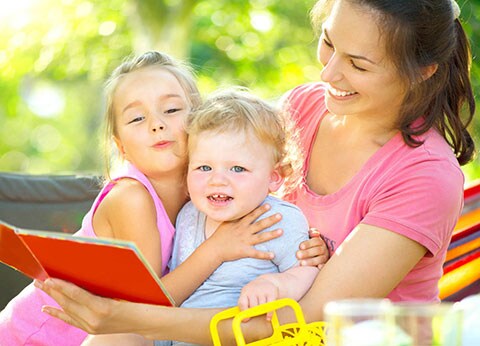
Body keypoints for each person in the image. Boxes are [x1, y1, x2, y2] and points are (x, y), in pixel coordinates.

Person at [37, 0, 476, 344]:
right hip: (230, 320)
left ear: (423, 71)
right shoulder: (303, 108)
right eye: (328, 42)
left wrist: (138, 317)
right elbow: (212, 172)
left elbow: (301, 320)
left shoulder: (424, 177)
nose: (328, 72)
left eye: (358, 64)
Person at [0, 51, 294, 345]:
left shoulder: (207, 193)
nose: (156, 124)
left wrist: (307, 246)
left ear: (200, 121)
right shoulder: (131, 198)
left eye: (171, 110)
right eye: (137, 118)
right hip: (40, 334)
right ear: (121, 146)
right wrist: (216, 249)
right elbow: (146, 311)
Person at [163, 89, 318, 346]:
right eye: (204, 167)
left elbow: (308, 273)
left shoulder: (277, 219)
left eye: (238, 168)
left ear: (274, 176)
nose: (217, 180)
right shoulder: (188, 215)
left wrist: (276, 285)